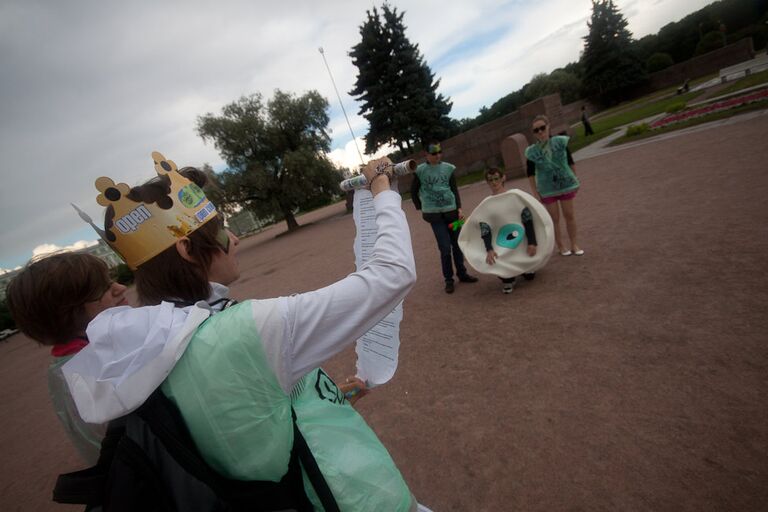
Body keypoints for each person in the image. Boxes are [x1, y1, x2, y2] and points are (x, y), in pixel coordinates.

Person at [62, 152, 428, 511]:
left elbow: (243, 418)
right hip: (356, 498)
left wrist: (317, 395)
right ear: (188, 250)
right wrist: (383, 186)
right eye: (220, 229)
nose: (233, 239)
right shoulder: (243, 330)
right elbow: (392, 275)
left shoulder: (151, 346)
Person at [5, 252, 128, 465]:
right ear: (69, 312)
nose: (121, 288)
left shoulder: (73, 365)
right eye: (104, 288)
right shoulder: (94, 370)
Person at [411, 141, 478, 294]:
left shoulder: (448, 169)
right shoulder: (420, 171)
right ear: (426, 155)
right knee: (445, 248)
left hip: (453, 213)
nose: (437, 155)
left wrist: (459, 208)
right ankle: (449, 279)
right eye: (434, 153)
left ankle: (462, 273)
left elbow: (454, 190)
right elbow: (413, 191)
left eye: (439, 152)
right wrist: (422, 207)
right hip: (435, 217)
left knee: (458, 244)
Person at [525, 115, 584, 256]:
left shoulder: (560, 142)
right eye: (536, 130)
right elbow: (530, 173)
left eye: (542, 128)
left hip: (565, 184)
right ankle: (561, 246)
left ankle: (574, 244)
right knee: (554, 219)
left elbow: (570, 162)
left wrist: (575, 179)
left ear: (548, 126)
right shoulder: (532, 151)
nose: (540, 132)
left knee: (569, 215)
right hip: (546, 189)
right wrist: (535, 191)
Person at [481, 168, 537, 294]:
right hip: (502, 242)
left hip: (520, 239)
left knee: (530, 277)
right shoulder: (486, 204)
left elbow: (527, 220)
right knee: (506, 275)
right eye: (490, 180)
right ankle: (507, 277)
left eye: (496, 178)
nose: (494, 182)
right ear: (487, 182)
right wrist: (489, 249)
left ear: (503, 178)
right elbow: (485, 227)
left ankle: (524, 266)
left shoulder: (515, 197)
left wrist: (532, 242)